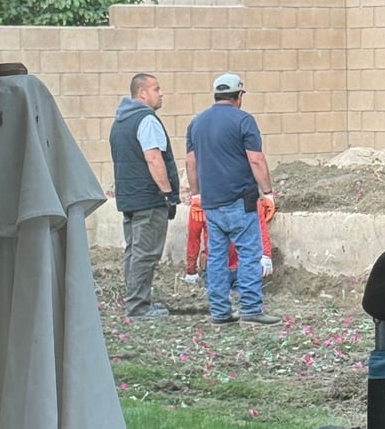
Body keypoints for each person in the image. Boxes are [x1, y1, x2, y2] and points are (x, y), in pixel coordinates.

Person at [185, 72, 280, 326]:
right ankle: (251, 309)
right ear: (239, 96)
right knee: (248, 253)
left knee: (216, 256)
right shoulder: (244, 120)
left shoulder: (196, 123)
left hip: (211, 202)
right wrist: (268, 193)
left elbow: (190, 162)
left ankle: (220, 312)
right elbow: (256, 159)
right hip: (240, 199)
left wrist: (196, 195)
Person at [109, 72, 179, 319]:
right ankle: (138, 306)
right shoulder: (146, 120)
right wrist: (167, 193)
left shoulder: (120, 121)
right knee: (146, 253)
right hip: (149, 198)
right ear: (142, 93)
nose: (161, 94)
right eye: (156, 89)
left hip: (129, 198)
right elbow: (153, 158)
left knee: (134, 252)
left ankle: (135, 300)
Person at [185, 194, 274, 285]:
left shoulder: (201, 203)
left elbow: (193, 239)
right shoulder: (199, 205)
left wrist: (266, 254)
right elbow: (193, 238)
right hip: (230, 268)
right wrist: (191, 270)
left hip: (234, 267)